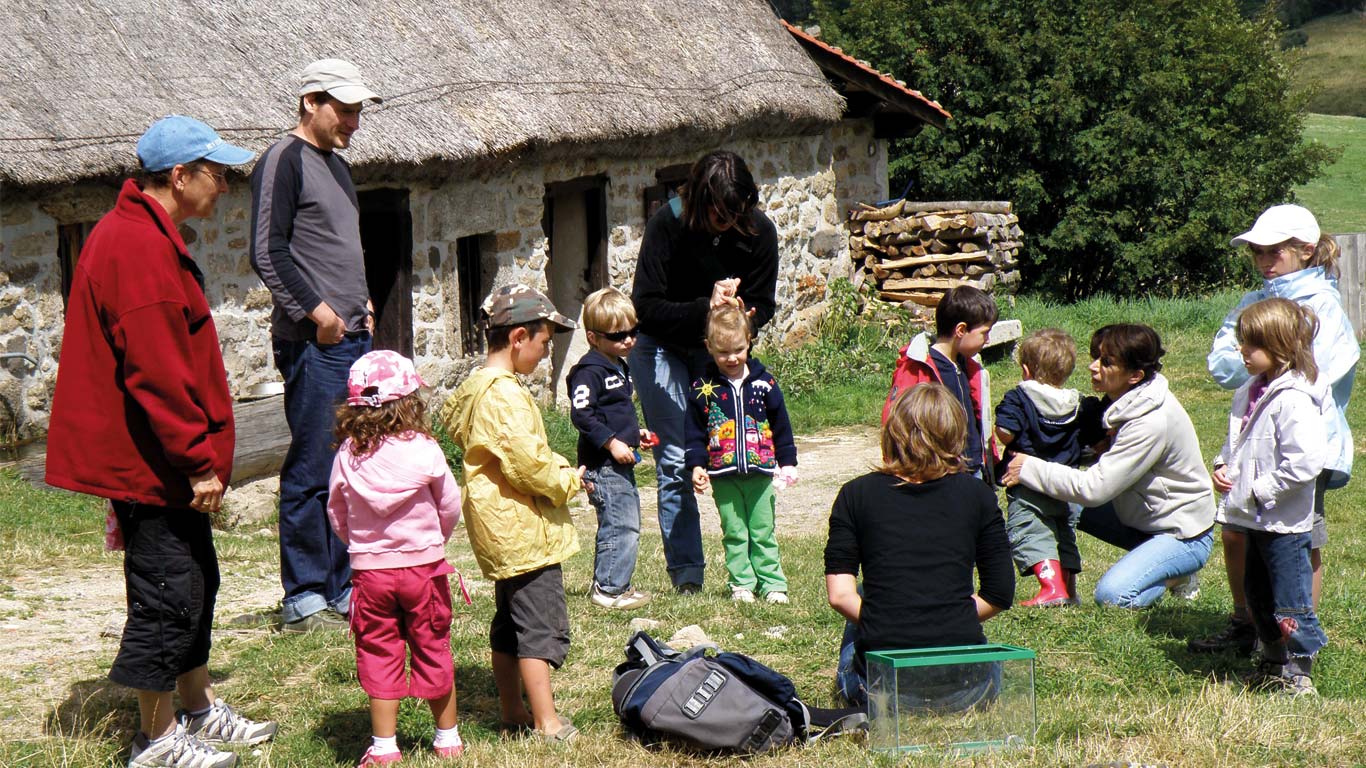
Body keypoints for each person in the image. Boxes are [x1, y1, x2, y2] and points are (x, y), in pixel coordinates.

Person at [46, 115, 275, 767]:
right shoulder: (136, 247)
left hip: (162, 461)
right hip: (148, 462)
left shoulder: (146, 234)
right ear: (181, 176)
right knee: (167, 594)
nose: (227, 188)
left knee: (196, 579)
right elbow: (157, 372)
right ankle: (157, 738)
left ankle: (197, 709)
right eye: (219, 175)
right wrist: (199, 461)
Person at [249, 58, 382, 632]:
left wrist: (364, 303)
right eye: (344, 109)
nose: (353, 121)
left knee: (349, 466)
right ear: (311, 101)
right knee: (311, 466)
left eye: (357, 111)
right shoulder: (284, 160)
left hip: (353, 337)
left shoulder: (339, 167)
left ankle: (341, 588)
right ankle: (304, 595)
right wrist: (319, 313)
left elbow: (343, 248)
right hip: (316, 342)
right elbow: (267, 251)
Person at [1191, 204, 1357, 655]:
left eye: (1273, 251)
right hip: (1252, 435)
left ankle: (1295, 639)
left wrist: (1268, 370)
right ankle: (1249, 622)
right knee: (1237, 529)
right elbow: (1224, 365)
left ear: (1304, 250)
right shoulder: (1254, 302)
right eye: (1257, 252)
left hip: (1301, 442)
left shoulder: (1323, 306)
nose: (1264, 261)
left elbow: (1315, 376)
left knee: (1297, 537)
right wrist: (1257, 365)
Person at [438, 284, 583, 743]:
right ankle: (547, 721)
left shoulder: (479, 390)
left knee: (508, 626)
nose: (545, 353)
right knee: (538, 628)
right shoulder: (502, 395)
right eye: (544, 342)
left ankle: (513, 710)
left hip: (503, 530)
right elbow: (527, 462)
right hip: (523, 528)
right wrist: (567, 479)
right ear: (518, 337)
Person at [631, 150, 779, 593]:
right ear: (699, 198)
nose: (727, 221)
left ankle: (755, 571)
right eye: (719, 212)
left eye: (736, 212)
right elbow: (647, 307)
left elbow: (764, 305)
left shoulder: (759, 232)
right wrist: (706, 308)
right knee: (676, 460)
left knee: (738, 457)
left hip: (718, 355)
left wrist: (740, 314)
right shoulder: (668, 225)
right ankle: (688, 577)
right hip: (662, 348)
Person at [1002, 324, 1216, 609]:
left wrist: (1028, 467)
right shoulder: (1125, 401)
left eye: (1106, 362)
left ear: (1135, 375)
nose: (1092, 367)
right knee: (1048, 494)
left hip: (1182, 535)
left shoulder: (1150, 422)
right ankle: (1059, 584)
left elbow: (1093, 489)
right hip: (1140, 518)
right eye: (1095, 357)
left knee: (1113, 596)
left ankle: (1178, 574)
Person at [825, 384, 1014, 707]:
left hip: (881, 691)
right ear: (956, 435)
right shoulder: (979, 496)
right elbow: (998, 593)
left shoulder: (855, 495)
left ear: (893, 432)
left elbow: (840, 596)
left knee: (865, 595)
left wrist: (889, 623)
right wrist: (947, 621)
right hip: (967, 690)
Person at [327, 351, 465, 765]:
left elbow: (336, 511)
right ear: (409, 401)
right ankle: (447, 738)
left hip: (371, 572)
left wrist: (359, 543)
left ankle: (385, 747)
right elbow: (450, 503)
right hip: (423, 568)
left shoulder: (347, 456)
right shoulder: (425, 449)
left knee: (379, 649)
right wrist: (434, 539)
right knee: (432, 644)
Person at [1212, 298, 1335, 697]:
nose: (1242, 352)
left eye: (1252, 345)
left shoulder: (1295, 399)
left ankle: (1301, 671)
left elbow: (1306, 462)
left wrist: (1260, 490)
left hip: (1283, 521)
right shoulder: (1250, 392)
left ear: (1282, 347)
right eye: (1242, 343)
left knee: (1290, 601)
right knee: (1257, 594)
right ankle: (1272, 661)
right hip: (1255, 519)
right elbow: (1240, 444)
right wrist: (1223, 466)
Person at [686, 305, 798, 604]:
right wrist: (697, 465)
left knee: (762, 531)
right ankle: (742, 584)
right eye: (723, 352)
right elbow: (695, 433)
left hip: (761, 473)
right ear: (709, 347)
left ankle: (773, 584)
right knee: (735, 533)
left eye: (738, 349)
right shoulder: (702, 389)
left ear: (749, 340)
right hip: (723, 476)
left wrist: (787, 462)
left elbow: (781, 425)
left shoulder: (765, 384)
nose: (731, 358)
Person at [995, 328, 1102, 607]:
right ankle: (1067, 589)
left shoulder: (1020, 397)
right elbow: (1098, 438)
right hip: (1063, 484)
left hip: (1027, 481)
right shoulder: (1078, 403)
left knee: (1031, 529)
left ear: (1026, 370)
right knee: (1062, 533)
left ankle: (1051, 587)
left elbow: (1005, 432)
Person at [568, 288, 654, 611]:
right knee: (619, 523)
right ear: (593, 337)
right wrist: (612, 442)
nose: (628, 341)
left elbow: (615, 413)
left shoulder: (618, 365)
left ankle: (619, 584)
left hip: (619, 460)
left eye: (633, 332)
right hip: (602, 464)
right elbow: (582, 414)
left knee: (628, 520)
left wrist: (634, 434)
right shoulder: (589, 372)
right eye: (618, 336)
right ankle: (608, 589)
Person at [880, 285, 997, 479]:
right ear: (961, 329)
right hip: (940, 472)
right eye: (984, 333)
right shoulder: (917, 367)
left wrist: (991, 460)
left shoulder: (968, 366)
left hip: (974, 467)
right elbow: (894, 420)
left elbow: (979, 420)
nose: (987, 340)